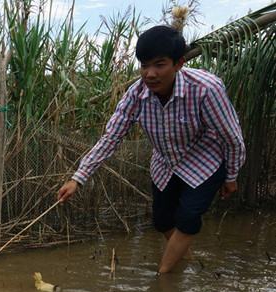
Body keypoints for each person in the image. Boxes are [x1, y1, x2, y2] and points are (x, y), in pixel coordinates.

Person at [57, 25, 245, 274]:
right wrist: (77, 179)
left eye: (159, 65)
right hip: (165, 163)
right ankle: (187, 261)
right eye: (144, 66)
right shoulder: (135, 96)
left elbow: (232, 138)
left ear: (178, 64)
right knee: (162, 220)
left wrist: (231, 176)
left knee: (188, 217)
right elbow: (110, 138)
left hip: (205, 160)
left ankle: (164, 278)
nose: (150, 74)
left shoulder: (205, 89)